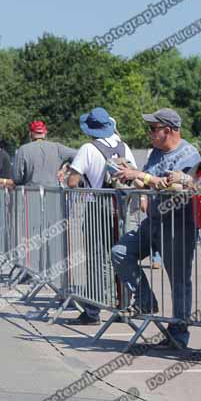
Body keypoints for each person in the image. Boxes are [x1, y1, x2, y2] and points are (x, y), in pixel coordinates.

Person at [111, 108, 201, 349]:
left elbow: (170, 185)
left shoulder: (189, 155)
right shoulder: (156, 153)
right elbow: (149, 180)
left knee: (179, 281)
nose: (149, 133)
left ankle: (178, 335)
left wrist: (142, 176)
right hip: (152, 222)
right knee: (120, 252)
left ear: (168, 131)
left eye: (153, 129)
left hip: (178, 226)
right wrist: (131, 177)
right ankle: (145, 300)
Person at [65, 108, 137, 325]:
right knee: (121, 257)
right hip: (121, 206)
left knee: (96, 260)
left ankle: (92, 311)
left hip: (97, 206)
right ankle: (123, 307)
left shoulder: (88, 148)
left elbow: (72, 181)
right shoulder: (123, 147)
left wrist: (71, 174)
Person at [10, 121, 77, 187]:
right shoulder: (57, 148)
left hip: (30, 194)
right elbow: (79, 156)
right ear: (45, 133)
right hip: (54, 195)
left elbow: (17, 178)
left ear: (30, 134)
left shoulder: (23, 149)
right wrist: (65, 169)